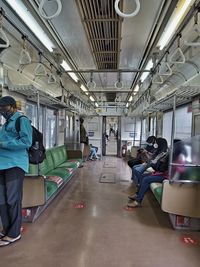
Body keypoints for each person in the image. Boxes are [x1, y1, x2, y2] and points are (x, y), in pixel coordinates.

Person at [0, 96, 32, 247]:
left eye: (4, 108)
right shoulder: (5, 124)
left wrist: (3, 143)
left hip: (15, 164)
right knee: (2, 200)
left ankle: (14, 233)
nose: (2, 111)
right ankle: (7, 229)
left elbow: (26, 142)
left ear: (13, 107)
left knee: (12, 199)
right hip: (2, 165)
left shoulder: (21, 120)